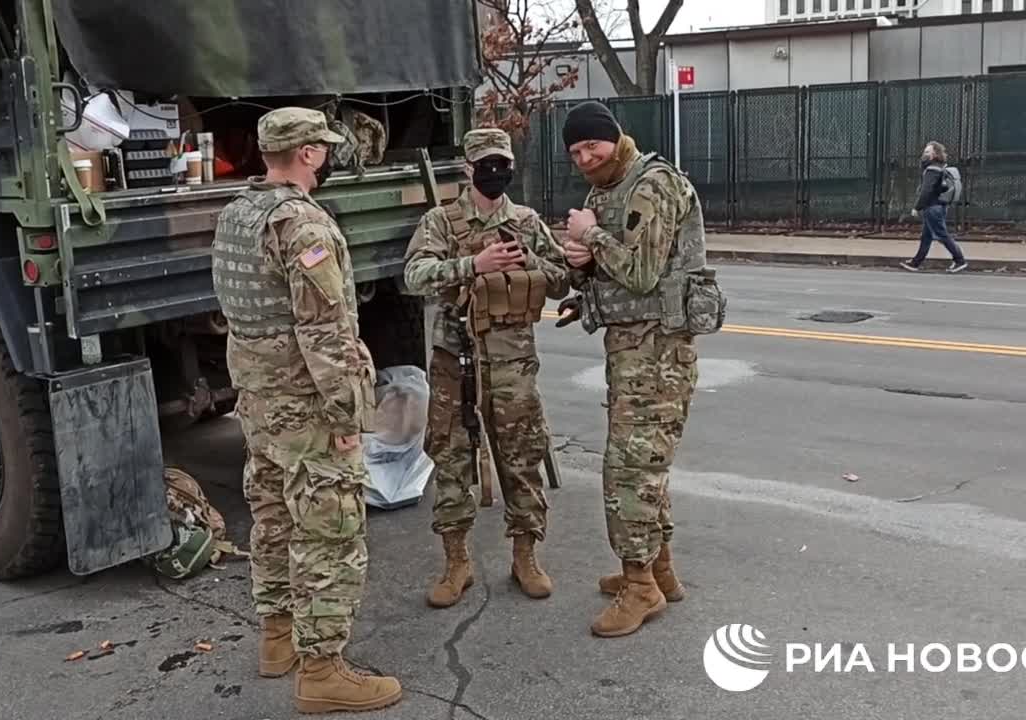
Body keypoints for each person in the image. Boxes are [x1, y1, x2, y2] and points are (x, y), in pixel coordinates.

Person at [210, 107, 401, 714]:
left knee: (272, 515)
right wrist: (348, 419)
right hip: (307, 406)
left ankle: (277, 640)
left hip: (260, 402)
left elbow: (233, 313)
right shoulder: (303, 226)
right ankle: (321, 670)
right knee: (330, 529)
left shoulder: (236, 214)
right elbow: (327, 334)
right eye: (324, 145)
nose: (329, 153)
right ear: (310, 154)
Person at [559, 101, 724, 638]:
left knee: (626, 472)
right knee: (645, 468)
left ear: (615, 138)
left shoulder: (651, 184)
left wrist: (589, 237)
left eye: (592, 145)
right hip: (632, 350)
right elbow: (615, 270)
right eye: (576, 151)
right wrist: (583, 283)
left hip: (657, 356)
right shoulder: (610, 186)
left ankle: (640, 587)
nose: (585, 157)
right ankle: (661, 570)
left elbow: (641, 270)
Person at [403, 127, 569, 608]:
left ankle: (525, 556)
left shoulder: (527, 221)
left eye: (503, 164)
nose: (496, 173)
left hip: (513, 362)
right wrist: (473, 264)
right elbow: (414, 275)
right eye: (486, 165)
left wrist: (528, 255)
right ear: (468, 169)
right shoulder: (442, 221)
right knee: (452, 459)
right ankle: (456, 562)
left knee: (522, 458)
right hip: (455, 360)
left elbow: (561, 281)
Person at [900, 141, 968, 273]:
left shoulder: (932, 170)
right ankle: (916, 262)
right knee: (926, 236)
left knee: (942, 235)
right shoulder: (939, 167)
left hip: (932, 207)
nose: (924, 154)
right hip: (937, 207)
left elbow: (926, 191)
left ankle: (960, 260)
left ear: (934, 154)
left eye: (927, 152)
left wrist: (917, 207)